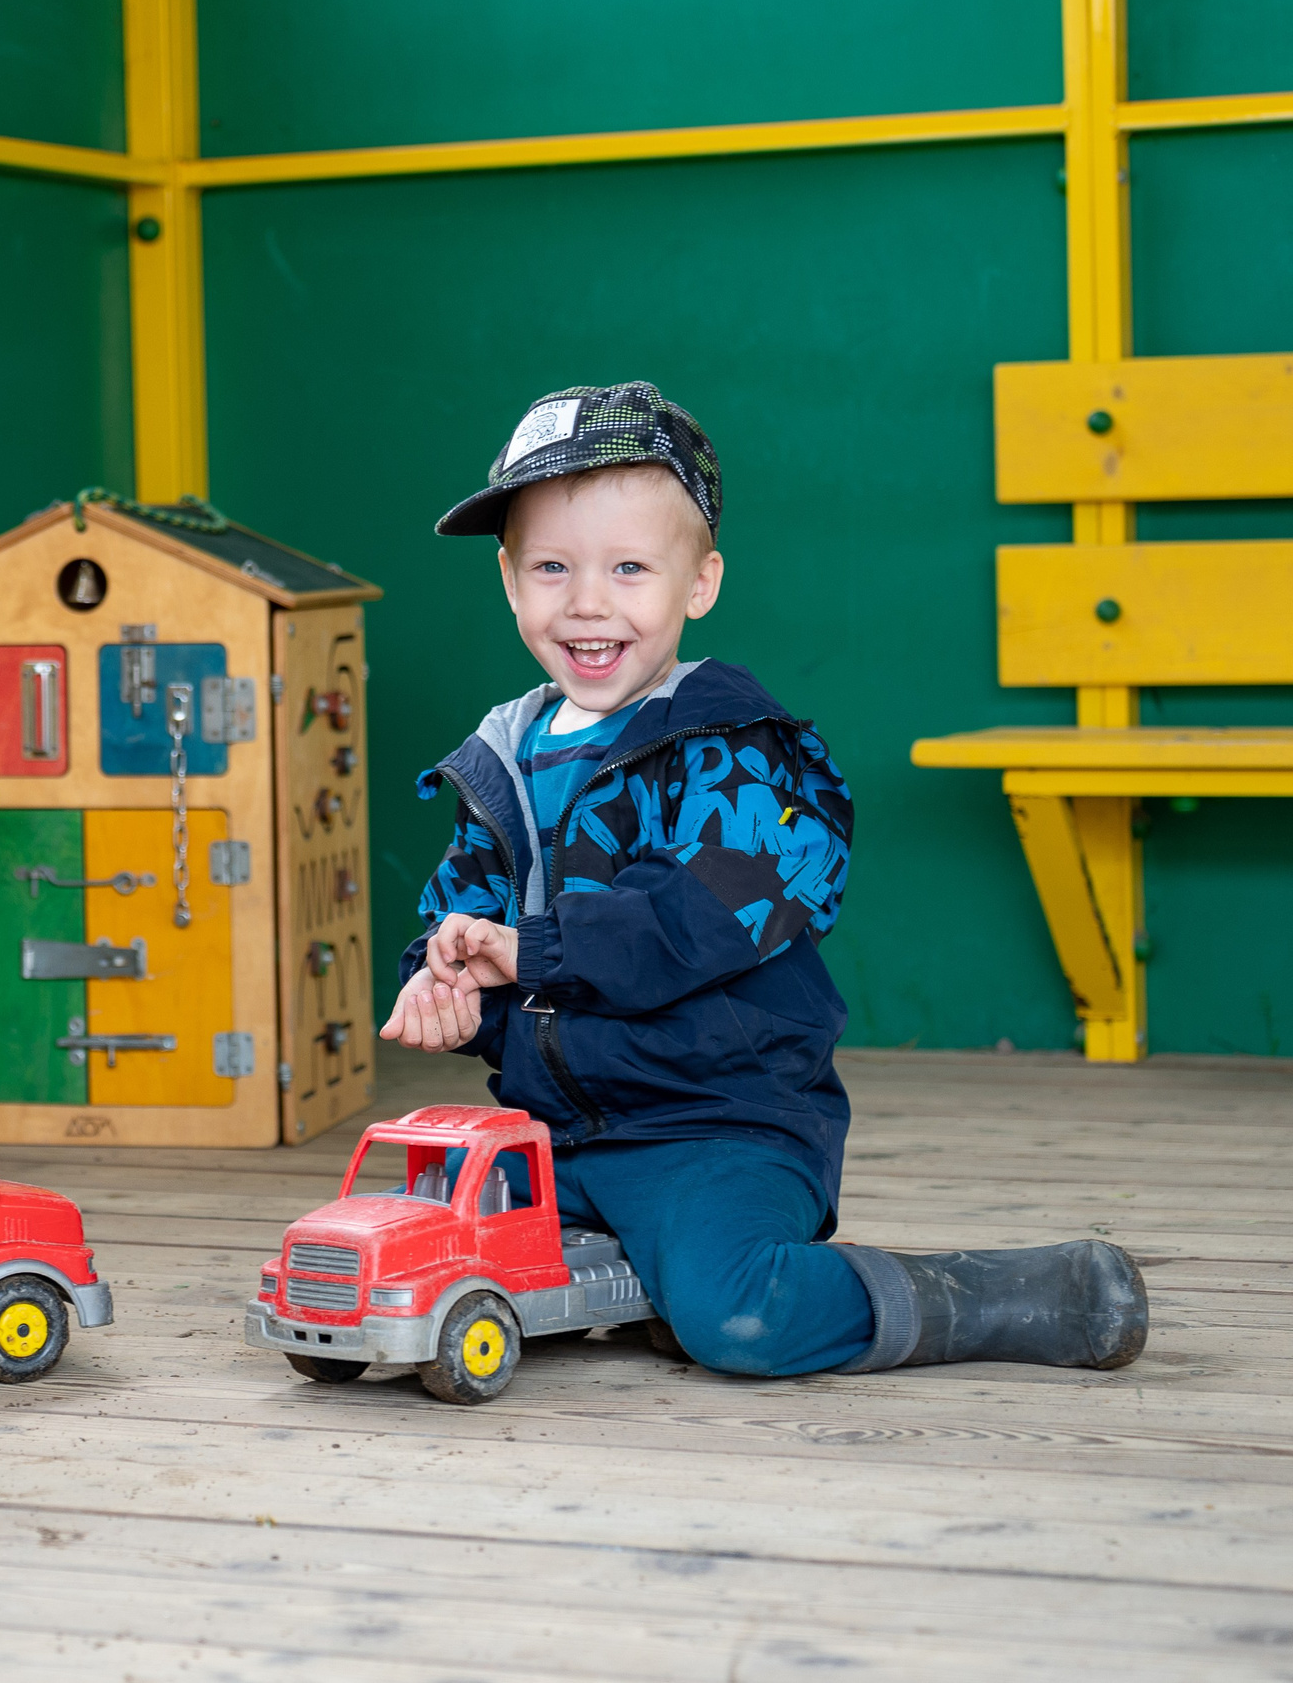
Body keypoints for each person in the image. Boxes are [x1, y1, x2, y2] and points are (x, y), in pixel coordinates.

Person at [381, 382, 1148, 1377]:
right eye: (551, 567)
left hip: (715, 1123)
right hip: (547, 1133)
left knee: (736, 1313)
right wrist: (441, 977)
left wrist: (526, 950)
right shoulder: (501, 757)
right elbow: (466, 908)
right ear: (508, 580)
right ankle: (644, 1275)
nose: (585, 601)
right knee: (412, 1246)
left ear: (698, 581)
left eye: (627, 566)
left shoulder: (739, 753)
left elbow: (690, 924)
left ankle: (1006, 1293)